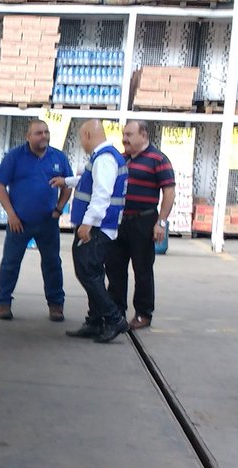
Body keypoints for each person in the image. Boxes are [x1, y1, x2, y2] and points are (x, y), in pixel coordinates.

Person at [51, 119, 129, 344]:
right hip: (100, 226)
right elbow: (90, 181)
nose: (81, 142)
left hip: (97, 228)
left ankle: (114, 319)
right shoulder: (106, 157)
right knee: (91, 272)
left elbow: (101, 194)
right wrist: (66, 181)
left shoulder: (104, 159)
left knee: (87, 273)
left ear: (86, 135)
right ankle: (95, 321)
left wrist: (87, 224)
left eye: (81, 137)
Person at [0, 119, 73, 322]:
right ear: (28, 136)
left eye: (46, 132)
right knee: (10, 263)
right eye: (38, 133)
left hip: (48, 222)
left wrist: (59, 208)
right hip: (19, 222)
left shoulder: (58, 157)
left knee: (52, 264)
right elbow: (0, 185)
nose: (43, 136)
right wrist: (11, 214)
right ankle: (4, 302)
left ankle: (56, 305)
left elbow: (68, 184)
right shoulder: (15, 157)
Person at [108, 120, 175, 330]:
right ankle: (116, 310)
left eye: (129, 134)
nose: (124, 139)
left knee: (142, 268)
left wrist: (160, 223)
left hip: (144, 221)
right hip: (120, 221)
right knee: (115, 267)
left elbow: (169, 192)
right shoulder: (122, 158)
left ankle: (143, 313)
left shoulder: (158, 159)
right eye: (124, 134)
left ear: (144, 135)